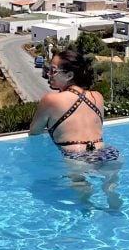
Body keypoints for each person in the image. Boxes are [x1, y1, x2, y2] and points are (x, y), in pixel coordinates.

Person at [30, 49, 122, 208]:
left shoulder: (51, 99)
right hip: (106, 153)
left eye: (53, 70)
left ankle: (87, 204)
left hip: (76, 156)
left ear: (69, 75)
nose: (48, 74)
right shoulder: (97, 96)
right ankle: (110, 191)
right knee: (109, 181)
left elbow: (34, 132)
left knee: (80, 186)